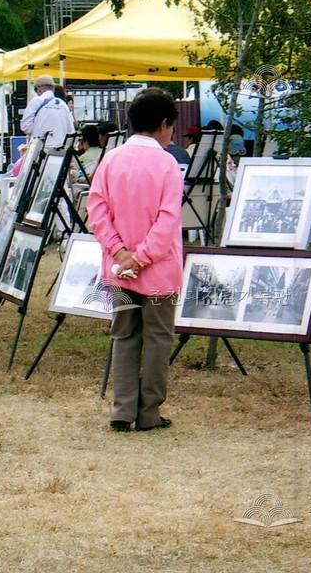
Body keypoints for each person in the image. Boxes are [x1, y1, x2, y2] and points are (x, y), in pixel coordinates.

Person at [87, 88, 183, 433]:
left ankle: (121, 408)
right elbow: (167, 219)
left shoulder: (111, 159)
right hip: (157, 271)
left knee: (124, 336)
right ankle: (148, 411)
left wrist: (120, 252)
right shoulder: (167, 163)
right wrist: (141, 259)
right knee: (158, 339)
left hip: (119, 270)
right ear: (163, 124)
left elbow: (96, 209)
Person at [21, 75, 75, 149]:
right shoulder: (63, 105)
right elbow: (71, 130)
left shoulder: (36, 101)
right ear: (53, 88)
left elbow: (26, 127)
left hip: (40, 149)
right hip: (60, 150)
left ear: (39, 89)